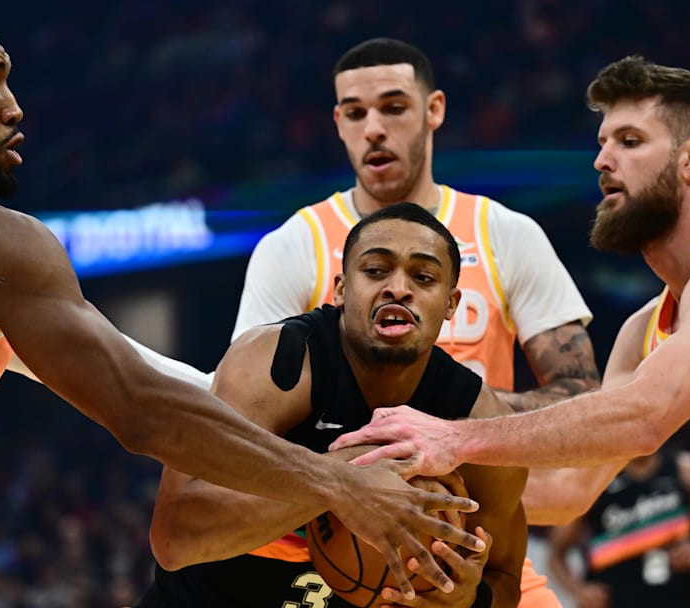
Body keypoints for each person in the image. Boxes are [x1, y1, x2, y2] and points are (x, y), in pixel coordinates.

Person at [0, 3, 481, 604]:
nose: (14, 106)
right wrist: (338, 481)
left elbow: (130, 367)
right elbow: (139, 407)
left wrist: (256, 410)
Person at [331, 55, 690, 606]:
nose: (602, 161)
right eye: (603, 142)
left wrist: (453, 438)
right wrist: (379, 484)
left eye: (630, 142)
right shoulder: (645, 331)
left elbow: (644, 417)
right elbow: (570, 492)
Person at [230, 36, 601, 607]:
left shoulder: (506, 233)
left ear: (434, 111)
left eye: (394, 107)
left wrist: (448, 425)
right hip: (323, 544)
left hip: (467, 526)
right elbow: (246, 428)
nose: (373, 128)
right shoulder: (293, 246)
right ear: (338, 123)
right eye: (355, 113)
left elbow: (582, 398)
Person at [141, 203, 528, 607]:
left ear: (451, 304)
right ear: (341, 289)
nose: (398, 287)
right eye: (376, 270)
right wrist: (344, 480)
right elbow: (173, 538)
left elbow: (504, 575)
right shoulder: (276, 366)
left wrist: (472, 600)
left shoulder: (475, 420)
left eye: (423, 276)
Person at [547, 448, 690, 608]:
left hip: (680, 597)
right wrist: (578, 591)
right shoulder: (594, 479)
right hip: (615, 600)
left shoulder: (686, 469)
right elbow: (555, 556)